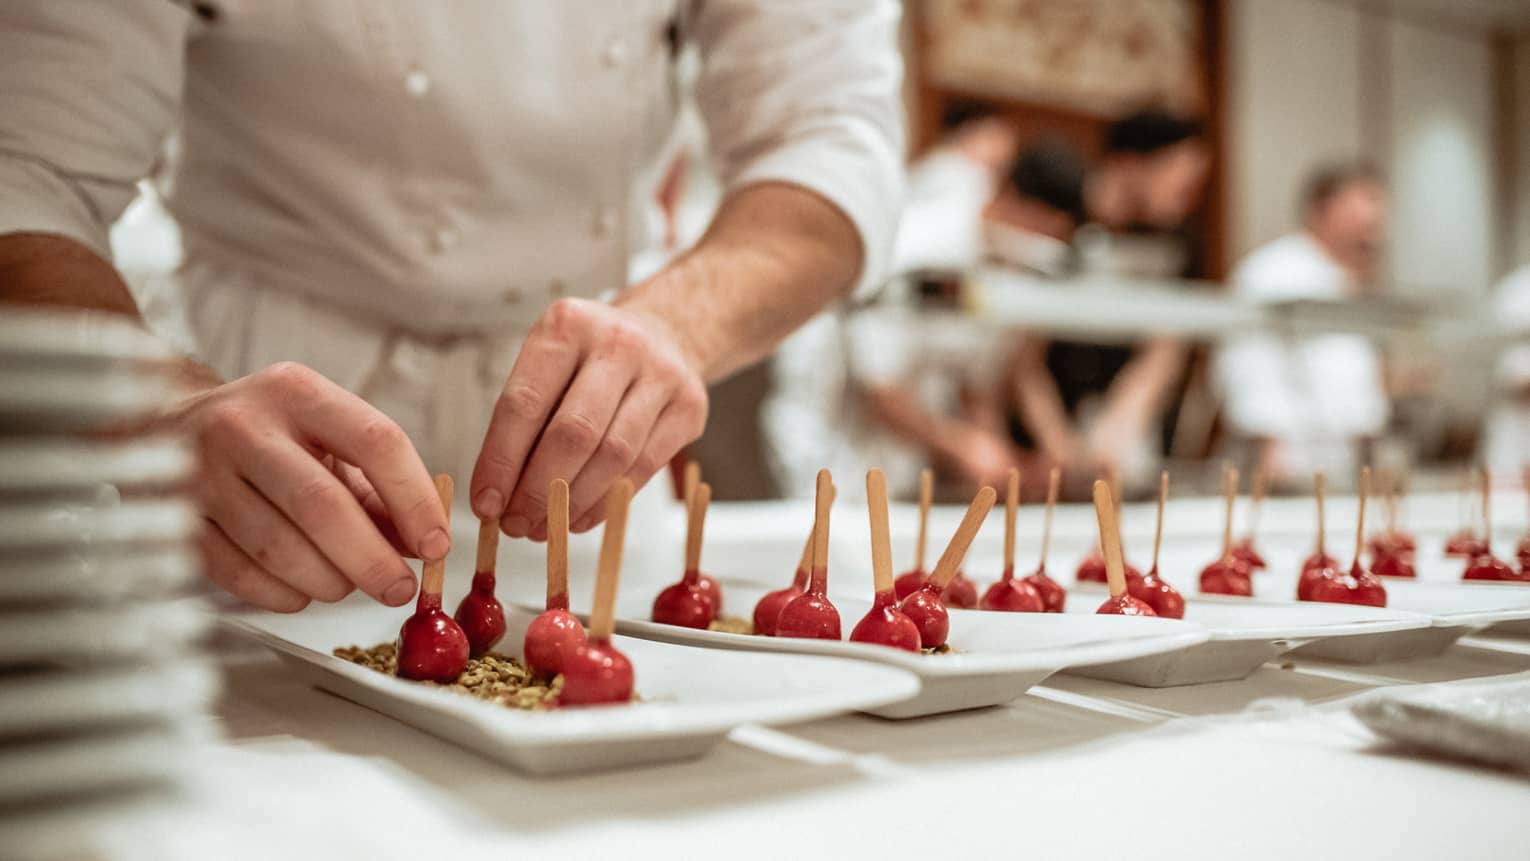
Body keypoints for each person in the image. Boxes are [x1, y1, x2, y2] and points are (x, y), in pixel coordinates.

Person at [0, 2, 903, 612]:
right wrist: (153, 398)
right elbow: (26, 167)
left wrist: (678, 320)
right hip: (247, 465)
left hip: (592, 497)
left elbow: (828, 136)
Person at [762, 108, 1022, 498]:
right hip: (831, 441)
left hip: (897, 464)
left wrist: (991, 449)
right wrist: (961, 446)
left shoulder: (997, 262)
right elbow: (879, 393)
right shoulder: (919, 245)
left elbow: (972, 380)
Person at [1003, 110, 1208, 492]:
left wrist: (1121, 423)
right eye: (1179, 181)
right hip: (1040, 451)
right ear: (1130, 164)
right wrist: (1057, 441)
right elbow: (1023, 356)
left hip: (1120, 447)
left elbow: (1165, 346)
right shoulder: (1061, 214)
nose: (1187, 197)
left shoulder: (1176, 240)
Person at [1213, 162, 1390, 481]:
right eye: (1360, 215)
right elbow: (1248, 365)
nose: (1372, 230)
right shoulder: (1274, 272)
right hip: (1285, 465)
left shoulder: (1346, 282)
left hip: (1341, 464)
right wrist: (1270, 450)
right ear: (1322, 210)